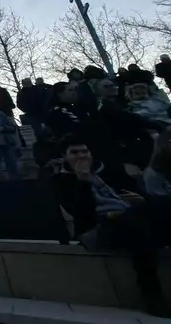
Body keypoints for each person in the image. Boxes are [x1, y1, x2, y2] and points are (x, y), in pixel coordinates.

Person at [52, 134, 171, 317]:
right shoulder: (61, 182)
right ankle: (151, 295)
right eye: (74, 152)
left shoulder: (106, 171)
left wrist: (142, 201)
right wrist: (82, 181)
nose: (82, 156)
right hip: (97, 229)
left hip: (130, 221)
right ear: (65, 157)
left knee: (157, 211)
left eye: (85, 151)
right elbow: (81, 213)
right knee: (138, 223)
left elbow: (135, 194)